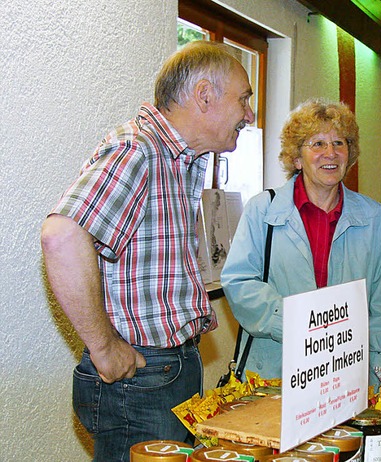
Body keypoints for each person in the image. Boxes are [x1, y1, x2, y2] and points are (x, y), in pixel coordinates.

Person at [40, 41, 255, 461]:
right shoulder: (139, 150)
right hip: (141, 380)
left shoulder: (179, 160)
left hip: (159, 375)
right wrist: (103, 348)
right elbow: (60, 236)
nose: (249, 114)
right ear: (205, 96)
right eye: (244, 98)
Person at [221, 99, 381, 391]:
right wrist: (297, 324)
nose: (330, 153)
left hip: (346, 369)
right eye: (317, 144)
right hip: (273, 368)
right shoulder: (261, 210)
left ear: (349, 153)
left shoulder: (373, 217)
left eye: (339, 143)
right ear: (296, 157)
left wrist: (380, 359)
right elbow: (239, 281)